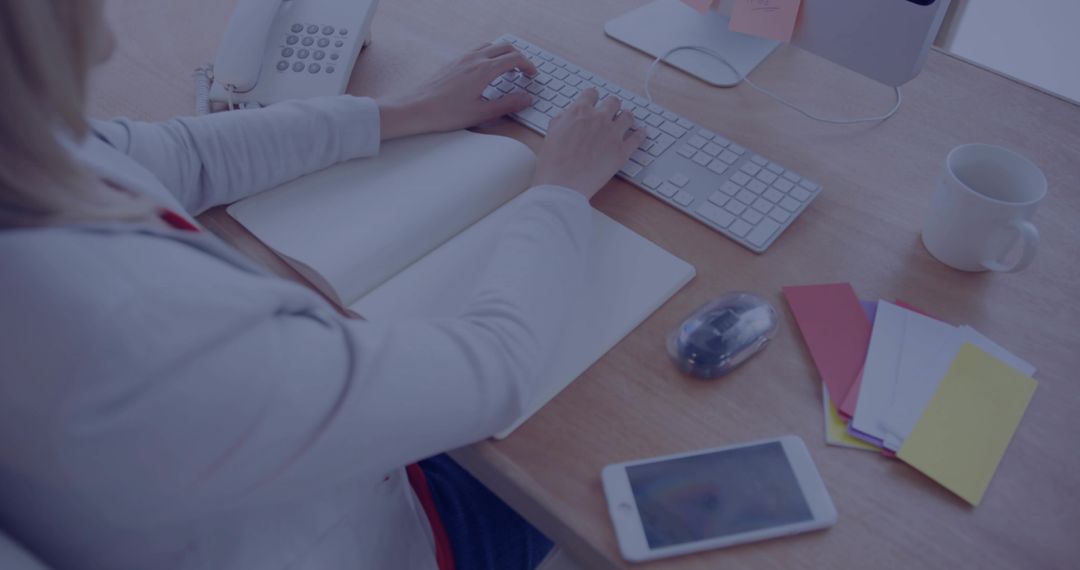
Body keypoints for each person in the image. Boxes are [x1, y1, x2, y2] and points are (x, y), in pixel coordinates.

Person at [0, 1, 646, 569]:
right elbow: (494, 368)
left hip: (285, 479)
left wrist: (402, 111)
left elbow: (184, 154)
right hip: (390, 533)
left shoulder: (22, 149)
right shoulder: (127, 339)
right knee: (616, 423)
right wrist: (560, 189)